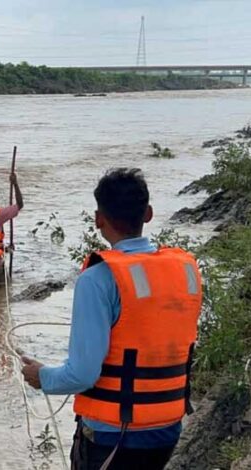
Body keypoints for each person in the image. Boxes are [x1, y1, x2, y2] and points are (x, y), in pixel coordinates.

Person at [20, 168, 202, 470]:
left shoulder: (98, 278)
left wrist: (42, 377)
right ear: (148, 214)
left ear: (98, 219)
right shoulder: (186, 271)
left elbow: (82, 375)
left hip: (112, 438)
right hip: (169, 426)